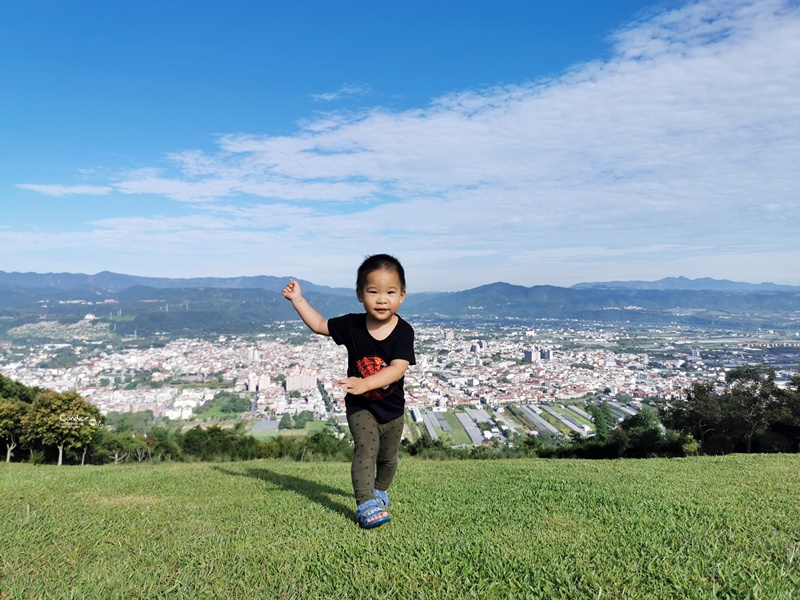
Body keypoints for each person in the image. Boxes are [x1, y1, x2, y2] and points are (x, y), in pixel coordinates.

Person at [282, 254, 416, 529]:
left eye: (390, 292)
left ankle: (379, 490)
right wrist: (298, 300)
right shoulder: (352, 325)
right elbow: (320, 326)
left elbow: (397, 369)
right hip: (360, 406)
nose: (381, 299)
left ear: (402, 295)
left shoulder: (404, 332)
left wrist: (366, 382)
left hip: (392, 409)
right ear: (360, 295)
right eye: (373, 292)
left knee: (389, 459)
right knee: (366, 449)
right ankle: (365, 503)